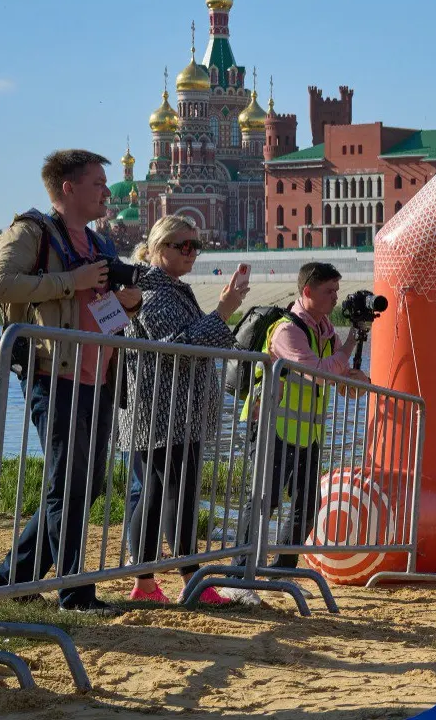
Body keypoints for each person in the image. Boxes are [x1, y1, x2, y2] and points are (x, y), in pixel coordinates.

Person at [0, 149, 143, 615]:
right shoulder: (31, 231)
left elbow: (105, 309)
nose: (106, 191)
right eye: (97, 183)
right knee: (66, 484)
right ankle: (76, 594)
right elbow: (0, 285)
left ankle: (9, 579)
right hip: (52, 375)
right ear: (68, 189)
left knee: (87, 484)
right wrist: (67, 280)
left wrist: (129, 302)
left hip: (99, 378)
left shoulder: (100, 243)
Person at [118, 215, 249, 605]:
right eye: (183, 245)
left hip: (177, 412)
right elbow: (177, 347)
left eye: (196, 245)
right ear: (158, 250)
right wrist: (224, 310)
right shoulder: (153, 293)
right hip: (161, 411)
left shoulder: (173, 290)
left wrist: (224, 311)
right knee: (167, 492)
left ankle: (164, 582)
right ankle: (174, 581)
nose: (192, 252)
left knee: (170, 493)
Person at [221, 262, 370, 604]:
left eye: (336, 291)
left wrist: (354, 379)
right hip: (272, 424)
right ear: (307, 292)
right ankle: (238, 577)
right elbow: (317, 372)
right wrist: (348, 345)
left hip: (307, 431)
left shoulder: (325, 329)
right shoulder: (286, 330)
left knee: (307, 503)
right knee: (263, 500)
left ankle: (282, 572)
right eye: (328, 291)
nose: (335, 298)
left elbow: (336, 376)